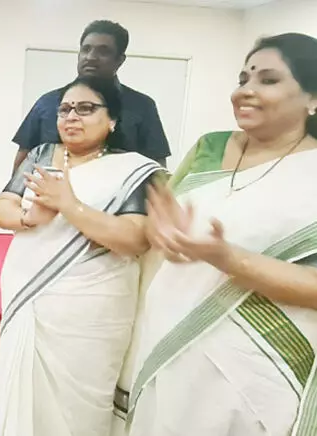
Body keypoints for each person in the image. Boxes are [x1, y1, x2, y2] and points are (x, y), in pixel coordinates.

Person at [126, 33, 317, 436]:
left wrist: (229, 259)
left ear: (313, 99)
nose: (245, 91)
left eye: (268, 80)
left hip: (260, 367)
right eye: (243, 78)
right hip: (169, 337)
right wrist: (164, 236)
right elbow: (164, 224)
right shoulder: (208, 148)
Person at [0, 76, 162, 436]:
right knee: (22, 395)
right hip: (29, 294)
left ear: (112, 120)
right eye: (64, 109)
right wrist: (28, 217)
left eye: (86, 108)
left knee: (78, 409)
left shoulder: (132, 170)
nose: (72, 117)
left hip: (93, 307)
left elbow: (134, 238)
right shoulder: (41, 154)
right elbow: (2, 206)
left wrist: (69, 205)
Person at [12, 20, 170, 170]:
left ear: (120, 60)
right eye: (86, 49)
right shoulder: (47, 102)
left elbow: (157, 168)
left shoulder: (141, 106)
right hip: (46, 187)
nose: (91, 57)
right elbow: (23, 158)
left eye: (103, 51)